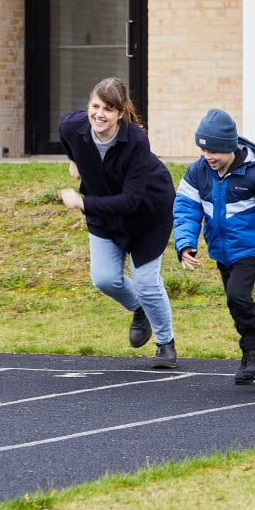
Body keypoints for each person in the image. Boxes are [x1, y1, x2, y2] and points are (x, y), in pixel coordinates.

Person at [58, 77, 179, 368]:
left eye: (108, 109)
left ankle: (165, 343)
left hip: (147, 213)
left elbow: (130, 201)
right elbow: (68, 140)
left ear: (121, 113)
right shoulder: (71, 126)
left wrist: (83, 202)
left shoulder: (136, 140)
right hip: (104, 213)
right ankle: (140, 308)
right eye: (95, 106)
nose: (99, 114)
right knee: (104, 278)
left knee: (146, 281)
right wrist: (75, 160)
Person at [173, 109, 255, 385]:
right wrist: (185, 244)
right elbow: (186, 209)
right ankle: (252, 353)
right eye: (203, 150)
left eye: (214, 150)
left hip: (249, 249)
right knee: (234, 301)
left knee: (238, 296)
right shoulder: (198, 172)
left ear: (230, 147)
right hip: (220, 250)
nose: (208, 157)